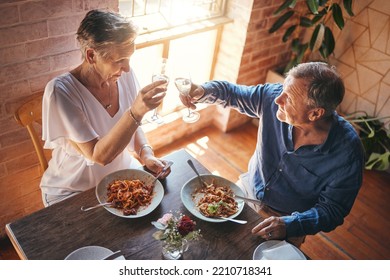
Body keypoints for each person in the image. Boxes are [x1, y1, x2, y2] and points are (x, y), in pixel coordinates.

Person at [180, 62, 364, 246]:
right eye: (283, 89)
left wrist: (289, 224)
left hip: (287, 220)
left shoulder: (348, 154)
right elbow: (232, 93)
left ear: (315, 113)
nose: (278, 100)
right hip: (244, 193)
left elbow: (333, 210)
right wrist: (202, 91)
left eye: (289, 98)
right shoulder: (274, 96)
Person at [40, 9, 171, 207]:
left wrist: (146, 154)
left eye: (129, 59)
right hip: (74, 191)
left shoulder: (123, 75)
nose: (127, 68)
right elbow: (98, 155)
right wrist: (136, 111)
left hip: (120, 180)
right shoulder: (60, 92)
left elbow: (132, 128)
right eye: (120, 60)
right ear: (91, 55)